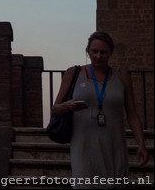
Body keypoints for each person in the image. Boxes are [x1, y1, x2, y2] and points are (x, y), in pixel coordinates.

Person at [51, 31, 149, 178]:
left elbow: (132, 114)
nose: (98, 56)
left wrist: (141, 143)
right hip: (84, 147)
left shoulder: (122, 76)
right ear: (87, 51)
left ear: (110, 53)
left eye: (103, 52)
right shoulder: (73, 73)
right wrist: (68, 105)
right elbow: (55, 110)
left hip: (114, 146)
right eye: (94, 51)